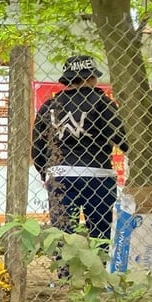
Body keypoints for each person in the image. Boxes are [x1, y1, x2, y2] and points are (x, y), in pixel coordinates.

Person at [32, 55, 127, 242]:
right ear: (91, 78)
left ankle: (66, 270)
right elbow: (121, 138)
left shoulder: (50, 105)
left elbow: (37, 147)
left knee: (63, 236)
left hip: (61, 174)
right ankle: (98, 268)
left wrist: (46, 172)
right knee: (101, 236)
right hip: (97, 174)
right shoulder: (103, 103)